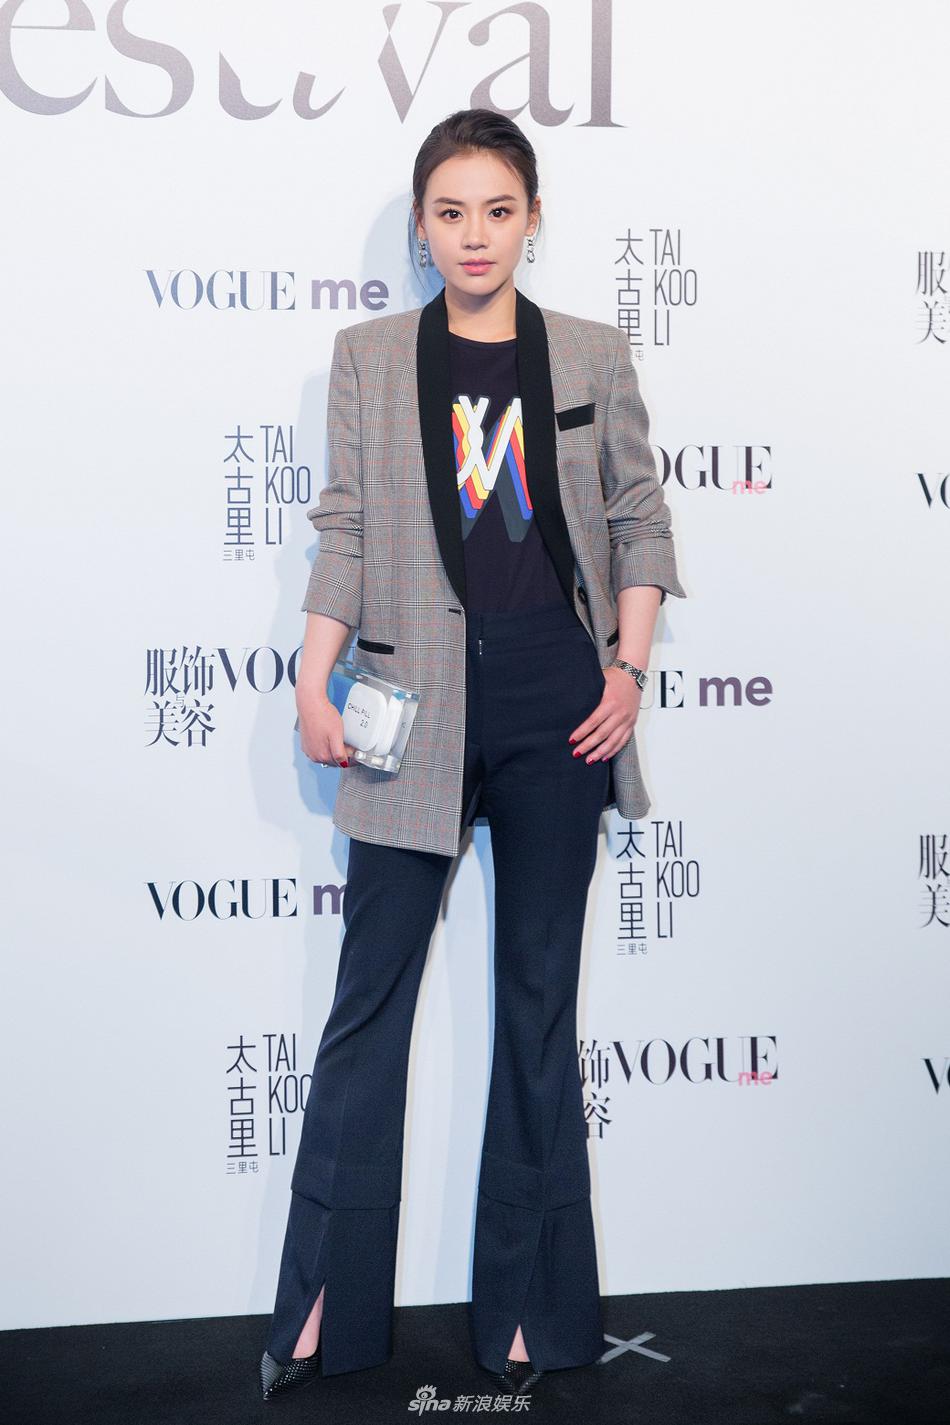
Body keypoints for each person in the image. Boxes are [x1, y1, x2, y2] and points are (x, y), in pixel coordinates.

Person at [258, 107, 687, 1402]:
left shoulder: (591, 352)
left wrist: (627, 671)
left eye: (497, 210)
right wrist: (310, 669)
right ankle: (324, 1296)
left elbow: (637, 516)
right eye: (449, 212)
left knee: (537, 1004)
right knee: (368, 1002)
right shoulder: (371, 356)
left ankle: (532, 1307)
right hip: (409, 709)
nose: (474, 235)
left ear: (532, 220)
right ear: (421, 226)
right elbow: (345, 524)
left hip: (559, 706)